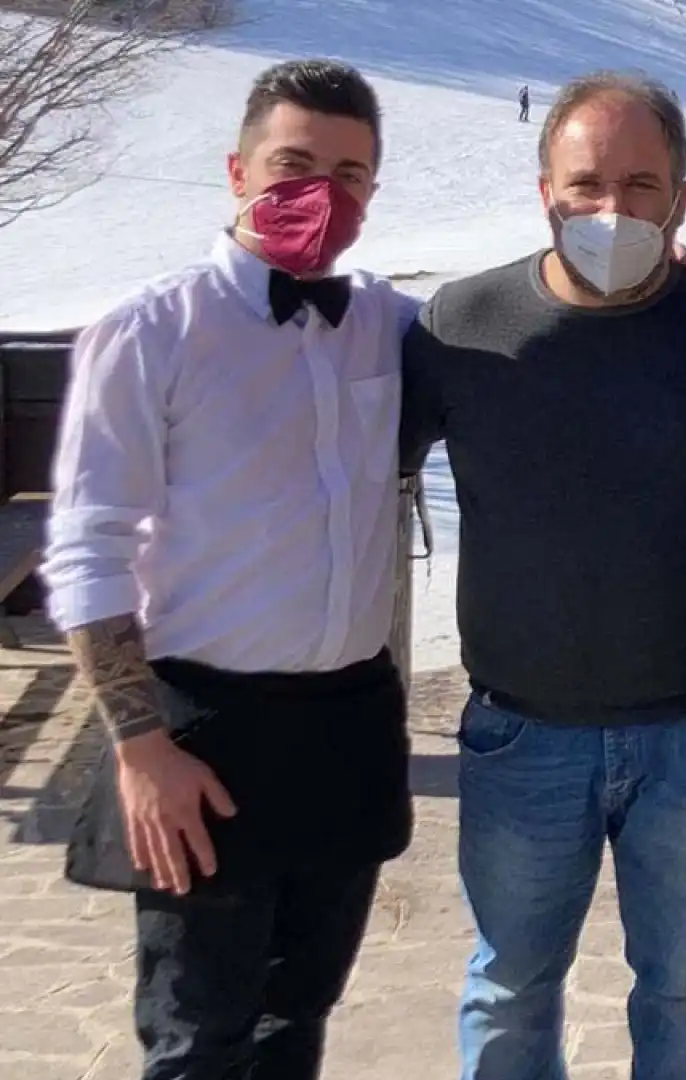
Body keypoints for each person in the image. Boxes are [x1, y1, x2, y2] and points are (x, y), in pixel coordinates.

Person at [46, 60, 416, 1080]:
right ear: (237, 170)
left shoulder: (386, 320)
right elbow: (88, 545)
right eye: (293, 164)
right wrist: (138, 746)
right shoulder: (150, 331)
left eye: (350, 173)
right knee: (196, 1037)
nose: (321, 194)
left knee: (296, 1023)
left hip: (348, 723)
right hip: (204, 734)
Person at [401, 73, 686, 1080]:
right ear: (543, 188)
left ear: (682, 198)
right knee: (510, 986)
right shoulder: (460, 327)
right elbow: (340, 472)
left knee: (681, 980)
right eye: (587, 183)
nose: (612, 210)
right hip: (521, 732)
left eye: (643, 185)